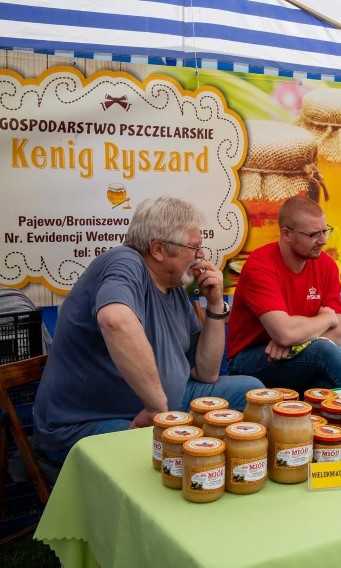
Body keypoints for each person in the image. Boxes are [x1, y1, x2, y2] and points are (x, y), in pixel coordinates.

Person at [32, 196, 263, 466]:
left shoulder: (175, 287)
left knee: (251, 393)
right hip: (88, 423)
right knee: (163, 453)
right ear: (158, 250)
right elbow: (115, 320)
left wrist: (213, 305)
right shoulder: (124, 261)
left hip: (167, 407)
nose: (200, 255)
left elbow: (206, 373)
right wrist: (156, 409)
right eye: (194, 246)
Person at [227, 196, 341, 391]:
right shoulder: (259, 265)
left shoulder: (327, 265)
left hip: (298, 359)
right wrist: (326, 318)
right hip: (249, 360)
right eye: (313, 235)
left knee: (324, 387)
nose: (323, 240)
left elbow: (335, 337)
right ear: (286, 234)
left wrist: (296, 342)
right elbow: (285, 333)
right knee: (321, 351)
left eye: (325, 231)